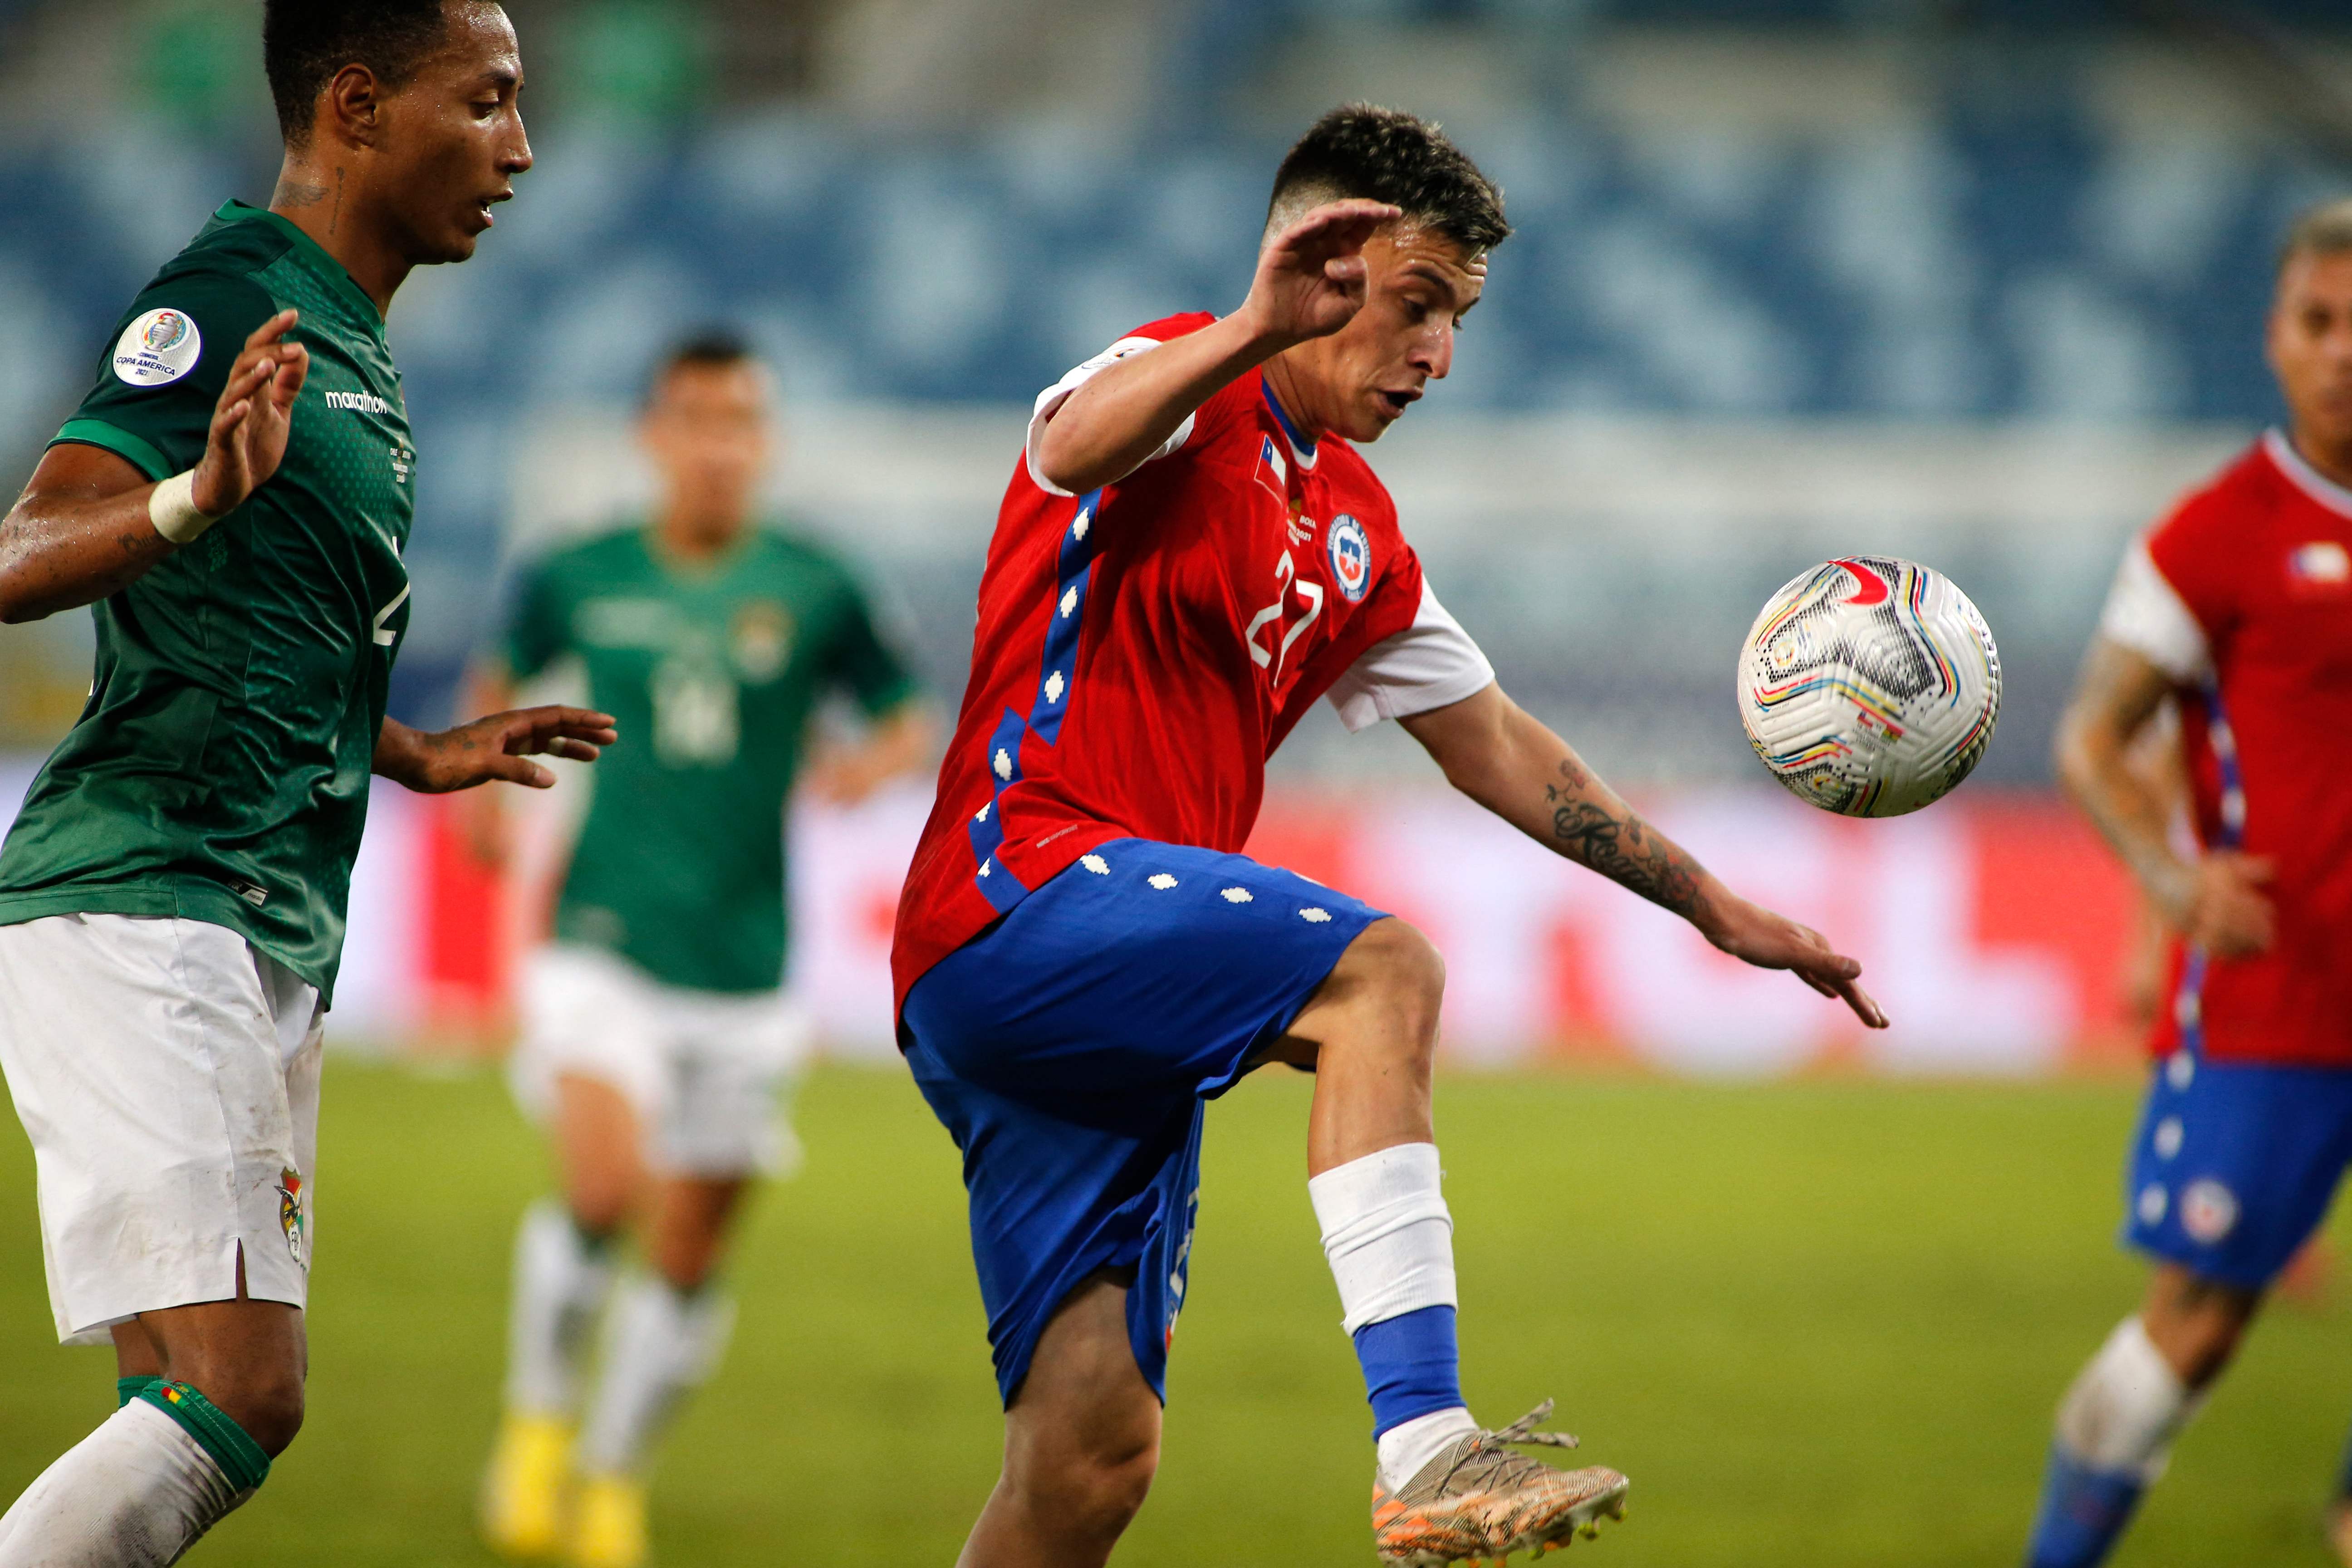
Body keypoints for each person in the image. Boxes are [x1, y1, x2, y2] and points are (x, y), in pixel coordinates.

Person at [889, 103, 1886, 1568]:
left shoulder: (1355, 527)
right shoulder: (1173, 378)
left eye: (1457, 319)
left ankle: (1392, 1457)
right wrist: (1243, 327)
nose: (1436, 354)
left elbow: (1500, 746)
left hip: (1095, 1000)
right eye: (1417, 306)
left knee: (1089, 1459)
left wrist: (1718, 909)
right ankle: (1427, 1451)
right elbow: (1070, 448)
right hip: (1017, 890)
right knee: (1383, 972)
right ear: (1323, 266)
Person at [0, 5, 617, 1564]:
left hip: (262, 915)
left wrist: (411, 749)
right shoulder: (232, 301)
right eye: (486, 105)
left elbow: (263, 641)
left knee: (172, 1405)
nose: (521, 149)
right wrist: (194, 492)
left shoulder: (355, 357)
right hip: (149, 895)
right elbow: (17, 552)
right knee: (243, 1396)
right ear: (355, 106)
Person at [469, 334, 932, 1568]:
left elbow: (902, 716)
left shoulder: (817, 584)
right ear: (653, 433)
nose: (719, 444)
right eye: (696, 419)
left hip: (746, 962)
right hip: (600, 938)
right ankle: (535, 1419)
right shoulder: (576, 571)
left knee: (690, 1251)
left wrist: (862, 767)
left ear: (763, 440)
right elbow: (499, 673)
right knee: (607, 1190)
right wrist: (481, 785)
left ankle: (613, 1479)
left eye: (741, 421)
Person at [2024, 196, 2352, 1568]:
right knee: (2199, 1326)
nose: (2344, 353)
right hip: (2281, 991)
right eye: (2320, 323)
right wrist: (2167, 886)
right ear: (2274, 339)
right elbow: (2091, 737)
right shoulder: (2217, 534)